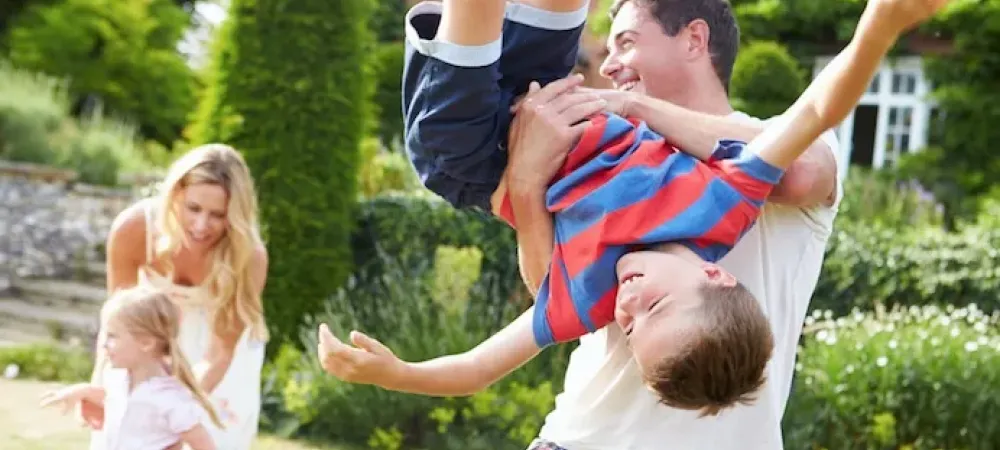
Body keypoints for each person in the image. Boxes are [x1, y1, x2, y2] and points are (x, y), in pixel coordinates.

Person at [316, 0, 944, 423]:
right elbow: (816, 110)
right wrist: (879, 28)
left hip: (476, 158)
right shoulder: (719, 203)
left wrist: (396, 373)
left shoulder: (594, 295)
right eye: (651, 311)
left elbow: (484, 361)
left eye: (630, 328)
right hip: (547, 108)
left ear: (694, 40)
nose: (625, 311)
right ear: (715, 273)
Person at [510, 0, 945, 449]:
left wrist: (635, 107)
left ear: (695, 39)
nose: (612, 64)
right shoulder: (608, 161)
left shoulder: (777, 137)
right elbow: (555, 292)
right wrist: (526, 185)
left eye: (627, 43)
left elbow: (798, 175)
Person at [85, 143, 270, 449]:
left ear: (235, 214)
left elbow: (219, 353)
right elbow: (118, 325)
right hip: (150, 335)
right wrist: (99, 388)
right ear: (175, 196)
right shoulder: (134, 229)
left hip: (219, 356)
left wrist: (172, 409)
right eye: (193, 208)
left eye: (217, 215)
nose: (200, 226)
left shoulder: (248, 256)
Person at [42, 287, 222, 450]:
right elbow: (115, 399)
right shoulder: (118, 378)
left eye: (113, 336)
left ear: (146, 342)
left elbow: (202, 443)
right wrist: (81, 391)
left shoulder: (170, 398)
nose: (104, 344)